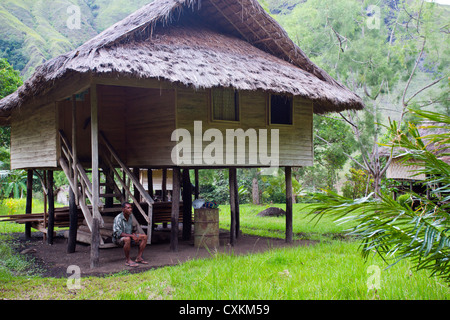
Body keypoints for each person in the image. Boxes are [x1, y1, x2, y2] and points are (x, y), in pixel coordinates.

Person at [112, 202, 148, 267]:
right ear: (123, 209)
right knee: (127, 239)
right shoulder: (118, 218)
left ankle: (139, 258)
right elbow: (118, 233)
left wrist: (134, 234)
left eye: (131, 208)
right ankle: (128, 260)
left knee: (144, 237)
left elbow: (131, 229)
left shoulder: (130, 216)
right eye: (128, 208)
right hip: (118, 239)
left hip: (129, 236)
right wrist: (132, 236)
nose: (130, 209)